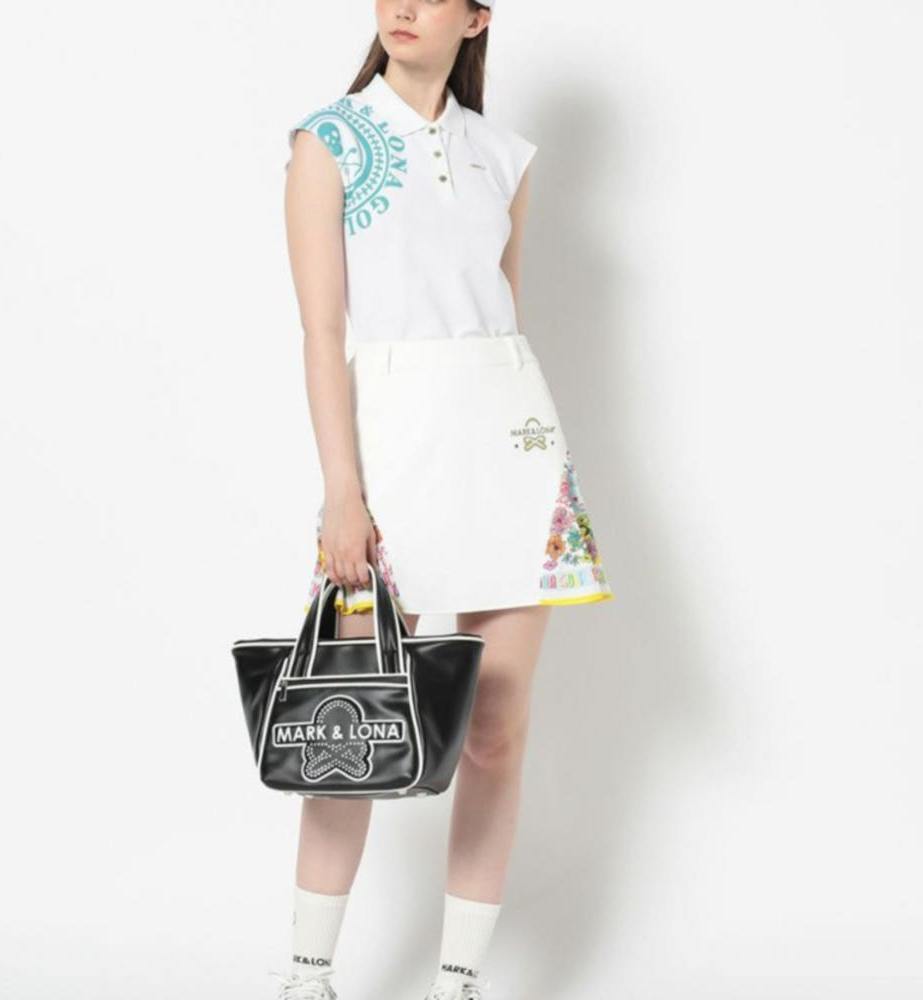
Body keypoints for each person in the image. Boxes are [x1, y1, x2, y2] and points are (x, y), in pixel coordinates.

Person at [276, 2, 614, 997]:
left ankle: (458, 980)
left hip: (508, 448)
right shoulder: (328, 142)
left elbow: (502, 317)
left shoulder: (504, 156)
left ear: (476, 19)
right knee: (348, 722)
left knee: (496, 728)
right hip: (390, 450)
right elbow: (320, 333)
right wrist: (343, 492)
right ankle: (306, 973)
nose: (402, 7)